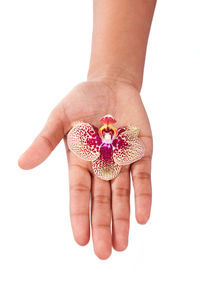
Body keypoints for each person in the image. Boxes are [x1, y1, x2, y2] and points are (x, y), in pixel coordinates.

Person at [18, 0, 156, 259]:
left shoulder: (121, 141)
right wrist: (113, 72)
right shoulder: (97, 138)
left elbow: (132, 144)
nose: (107, 132)